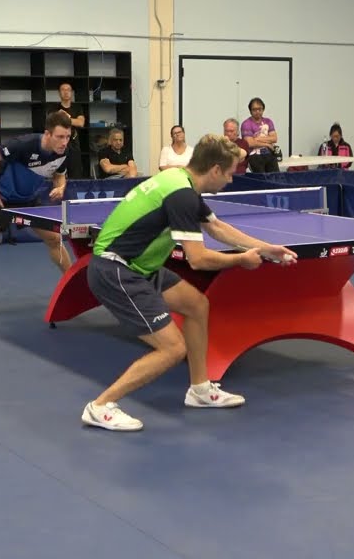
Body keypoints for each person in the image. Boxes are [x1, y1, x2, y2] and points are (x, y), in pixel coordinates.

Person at [80, 134, 298, 432]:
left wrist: (266, 248)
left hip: (141, 266)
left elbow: (217, 227)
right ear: (215, 170)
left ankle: (199, 389)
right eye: (230, 173)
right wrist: (241, 260)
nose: (231, 180)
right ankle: (100, 406)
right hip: (117, 270)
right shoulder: (181, 195)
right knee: (171, 349)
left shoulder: (179, 180)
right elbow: (197, 259)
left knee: (197, 305)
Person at [0, 111, 74, 319]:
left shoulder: (63, 152)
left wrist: (60, 187)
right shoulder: (24, 145)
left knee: (54, 239)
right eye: (60, 137)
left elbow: (59, 174)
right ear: (47, 134)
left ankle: (73, 286)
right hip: (2, 198)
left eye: (67, 137)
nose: (64, 142)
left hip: (29, 199)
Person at [52, 81, 89, 179]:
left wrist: (66, 118)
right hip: (58, 144)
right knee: (58, 173)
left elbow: (80, 123)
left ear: (71, 92)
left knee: (75, 173)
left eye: (68, 90)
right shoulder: (54, 108)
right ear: (59, 93)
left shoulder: (77, 107)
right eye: (63, 90)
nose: (66, 92)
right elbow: (54, 124)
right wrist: (72, 120)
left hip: (73, 143)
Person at [240, 98, 279, 173]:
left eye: (259, 109)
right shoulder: (246, 124)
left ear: (263, 109)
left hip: (269, 154)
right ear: (250, 111)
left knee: (276, 176)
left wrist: (257, 138)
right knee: (261, 178)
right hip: (254, 156)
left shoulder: (268, 121)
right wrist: (267, 144)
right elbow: (250, 143)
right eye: (254, 109)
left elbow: (274, 138)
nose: (257, 111)